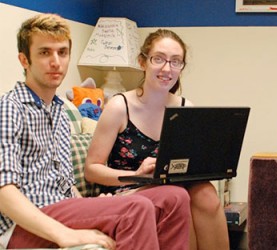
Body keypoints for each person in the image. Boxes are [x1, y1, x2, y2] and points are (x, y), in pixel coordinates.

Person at [0, 13, 190, 249]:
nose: (56, 62)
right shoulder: (10, 107)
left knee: (174, 197)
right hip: (23, 225)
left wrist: (96, 205)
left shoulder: (57, 108)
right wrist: (64, 234)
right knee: (137, 208)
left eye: (62, 52)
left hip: (63, 208)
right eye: (44, 52)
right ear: (24, 60)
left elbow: (65, 185)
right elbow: (4, 193)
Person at [84, 29, 230, 250]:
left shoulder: (185, 108)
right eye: (158, 59)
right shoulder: (119, 106)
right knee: (179, 197)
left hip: (174, 186)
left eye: (175, 62)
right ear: (142, 62)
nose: (166, 68)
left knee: (206, 193)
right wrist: (135, 175)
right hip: (131, 189)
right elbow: (92, 169)